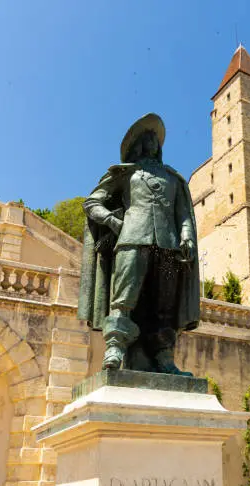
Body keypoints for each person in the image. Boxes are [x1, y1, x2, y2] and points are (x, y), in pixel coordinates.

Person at [78, 113, 200, 374]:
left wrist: (187, 235)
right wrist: (111, 220)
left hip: (169, 247)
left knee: (164, 306)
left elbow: (183, 215)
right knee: (124, 299)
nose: (153, 143)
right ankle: (114, 348)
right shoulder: (125, 174)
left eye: (156, 139)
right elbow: (92, 203)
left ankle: (164, 357)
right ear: (138, 145)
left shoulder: (173, 178)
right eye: (148, 138)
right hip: (131, 239)